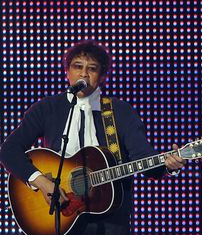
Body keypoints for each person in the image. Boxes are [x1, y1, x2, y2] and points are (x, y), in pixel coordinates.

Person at [0, 40, 186, 234]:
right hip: (58, 215)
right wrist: (41, 181)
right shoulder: (47, 108)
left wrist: (167, 164)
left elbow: (143, 158)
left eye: (92, 69)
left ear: (102, 76)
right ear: (67, 71)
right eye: (77, 67)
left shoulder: (120, 111)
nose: (84, 74)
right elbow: (8, 151)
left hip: (110, 220)